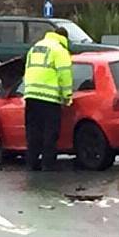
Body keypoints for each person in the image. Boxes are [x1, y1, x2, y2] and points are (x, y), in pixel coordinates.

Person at [23, 26, 73, 171]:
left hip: (31, 96)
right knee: (50, 133)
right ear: (64, 38)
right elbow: (64, 75)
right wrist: (67, 96)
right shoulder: (60, 50)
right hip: (49, 98)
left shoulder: (35, 47)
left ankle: (31, 163)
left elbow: (27, 70)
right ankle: (47, 165)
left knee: (33, 131)